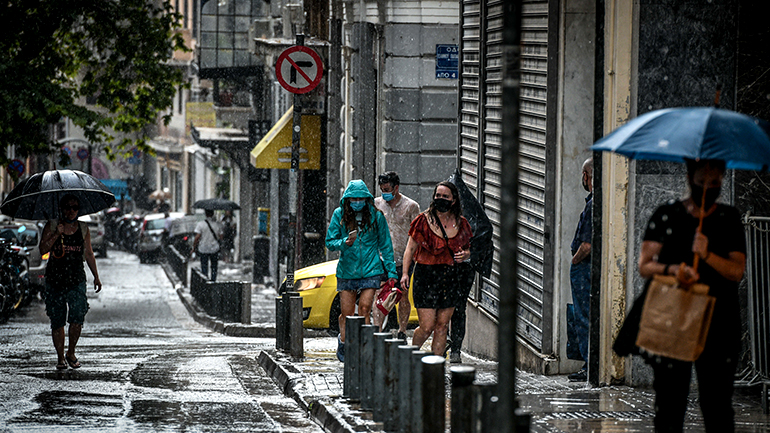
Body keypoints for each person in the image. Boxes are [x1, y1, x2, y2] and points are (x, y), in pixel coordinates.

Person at [629, 159, 745, 432]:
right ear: (690, 178)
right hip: (673, 316)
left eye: (714, 183)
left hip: (719, 320)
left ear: (722, 180)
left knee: (717, 404)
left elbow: (736, 271)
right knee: (670, 404)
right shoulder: (667, 215)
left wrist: (707, 254)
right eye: (702, 182)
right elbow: (645, 264)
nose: (708, 188)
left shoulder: (729, 219)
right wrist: (673, 270)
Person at [326, 179, 398, 362]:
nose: (357, 202)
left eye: (360, 199)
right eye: (354, 199)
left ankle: (365, 346)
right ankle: (344, 341)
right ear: (348, 200)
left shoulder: (376, 216)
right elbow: (330, 242)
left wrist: (391, 272)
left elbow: (386, 246)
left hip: (371, 269)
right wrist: (344, 242)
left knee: (365, 308)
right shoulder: (339, 215)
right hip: (347, 270)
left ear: (366, 199)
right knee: (347, 313)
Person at [401, 181, 473, 357]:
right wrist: (405, 273)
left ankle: (436, 367)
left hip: (450, 277)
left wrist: (465, 255)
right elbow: (410, 249)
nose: (441, 199)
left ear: (453, 200)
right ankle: (411, 356)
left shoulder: (462, 223)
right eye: (438, 196)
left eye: (445, 196)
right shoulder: (423, 221)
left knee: (442, 326)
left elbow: (468, 249)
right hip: (426, 276)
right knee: (427, 326)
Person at [39, 194, 103, 370]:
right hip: (55, 280)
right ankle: (60, 357)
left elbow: (89, 253)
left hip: (76, 279)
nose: (71, 211)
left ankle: (71, 352)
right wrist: (56, 234)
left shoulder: (83, 228)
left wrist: (96, 276)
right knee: (57, 320)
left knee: (77, 316)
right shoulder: (52, 226)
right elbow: (43, 249)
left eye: (75, 207)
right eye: (68, 207)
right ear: (62, 208)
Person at [373, 171, 420, 340]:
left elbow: (416, 234)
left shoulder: (411, 206)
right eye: (382, 189)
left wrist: (412, 257)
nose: (384, 193)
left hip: (403, 258)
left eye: (387, 189)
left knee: (402, 294)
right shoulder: (377, 204)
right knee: (379, 293)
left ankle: (402, 330)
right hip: (381, 258)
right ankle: (378, 329)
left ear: (396, 188)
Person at [568, 157, 593, 382]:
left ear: (586, 176)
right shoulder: (596, 202)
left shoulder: (593, 205)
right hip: (587, 267)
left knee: (583, 315)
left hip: (584, 268)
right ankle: (590, 362)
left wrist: (575, 261)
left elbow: (587, 245)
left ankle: (589, 365)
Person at [192, 209, 223, 281]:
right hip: (214, 248)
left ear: (205, 214)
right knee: (214, 266)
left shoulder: (201, 224)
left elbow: (197, 237)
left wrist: (194, 247)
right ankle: (213, 280)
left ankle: (205, 280)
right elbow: (221, 236)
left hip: (203, 248)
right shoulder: (217, 224)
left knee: (204, 266)